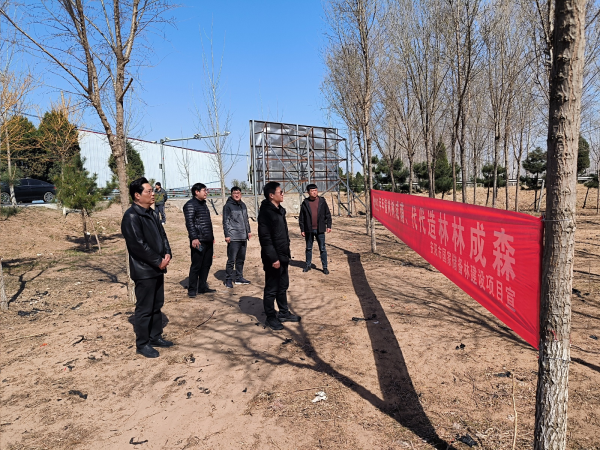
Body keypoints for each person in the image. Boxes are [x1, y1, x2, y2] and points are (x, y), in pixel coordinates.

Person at [121, 177, 173, 358]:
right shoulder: (131, 217)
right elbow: (138, 245)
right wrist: (157, 260)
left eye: (152, 191)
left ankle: (155, 336)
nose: (153, 194)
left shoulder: (152, 213)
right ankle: (142, 344)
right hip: (144, 270)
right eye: (149, 191)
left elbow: (163, 236)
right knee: (144, 308)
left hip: (158, 267)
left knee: (157, 304)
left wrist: (167, 253)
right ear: (137, 195)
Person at [258, 181, 301, 330]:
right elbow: (265, 239)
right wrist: (273, 258)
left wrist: (286, 253)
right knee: (271, 288)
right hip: (273, 258)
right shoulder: (266, 213)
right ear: (271, 195)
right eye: (280, 192)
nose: (283, 194)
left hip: (283, 255)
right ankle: (270, 317)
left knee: (283, 286)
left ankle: (284, 312)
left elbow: (283, 234)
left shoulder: (280, 210)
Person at [183, 183, 216, 297]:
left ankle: (202, 287)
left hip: (208, 240)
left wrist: (212, 237)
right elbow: (190, 223)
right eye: (204, 190)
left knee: (207, 264)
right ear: (196, 192)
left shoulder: (203, 204)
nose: (206, 192)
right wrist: (194, 238)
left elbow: (207, 223)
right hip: (199, 241)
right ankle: (192, 289)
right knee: (196, 265)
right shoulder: (190, 205)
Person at [222, 186, 252, 289]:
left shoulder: (243, 205)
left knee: (241, 259)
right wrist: (227, 235)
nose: (237, 195)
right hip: (233, 237)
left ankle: (239, 277)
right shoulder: (228, 206)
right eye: (235, 193)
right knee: (231, 259)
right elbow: (225, 222)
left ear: (241, 194)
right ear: (231, 194)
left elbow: (246, 219)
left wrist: (248, 231)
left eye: (238, 193)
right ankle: (228, 279)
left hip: (243, 236)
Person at [299, 183, 332, 274]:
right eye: (312, 191)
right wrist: (302, 229)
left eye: (316, 190)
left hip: (320, 229)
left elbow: (328, 214)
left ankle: (325, 267)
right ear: (308, 192)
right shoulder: (305, 203)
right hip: (309, 229)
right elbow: (301, 218)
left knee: (322, 248)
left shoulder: (322, 201)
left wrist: (329, 226)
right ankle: (308, 265)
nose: (314, 192)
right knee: (308, 248)